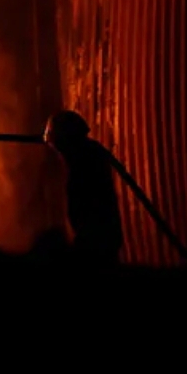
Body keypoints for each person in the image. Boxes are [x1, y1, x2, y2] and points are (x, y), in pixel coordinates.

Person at [43, 110, 124, 266]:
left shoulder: (83, 166)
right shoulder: (90, 154)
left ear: (66, 142)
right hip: (103, 241)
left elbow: (88, 215)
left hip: (98, 245)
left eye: (58, 147)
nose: (58, 154)